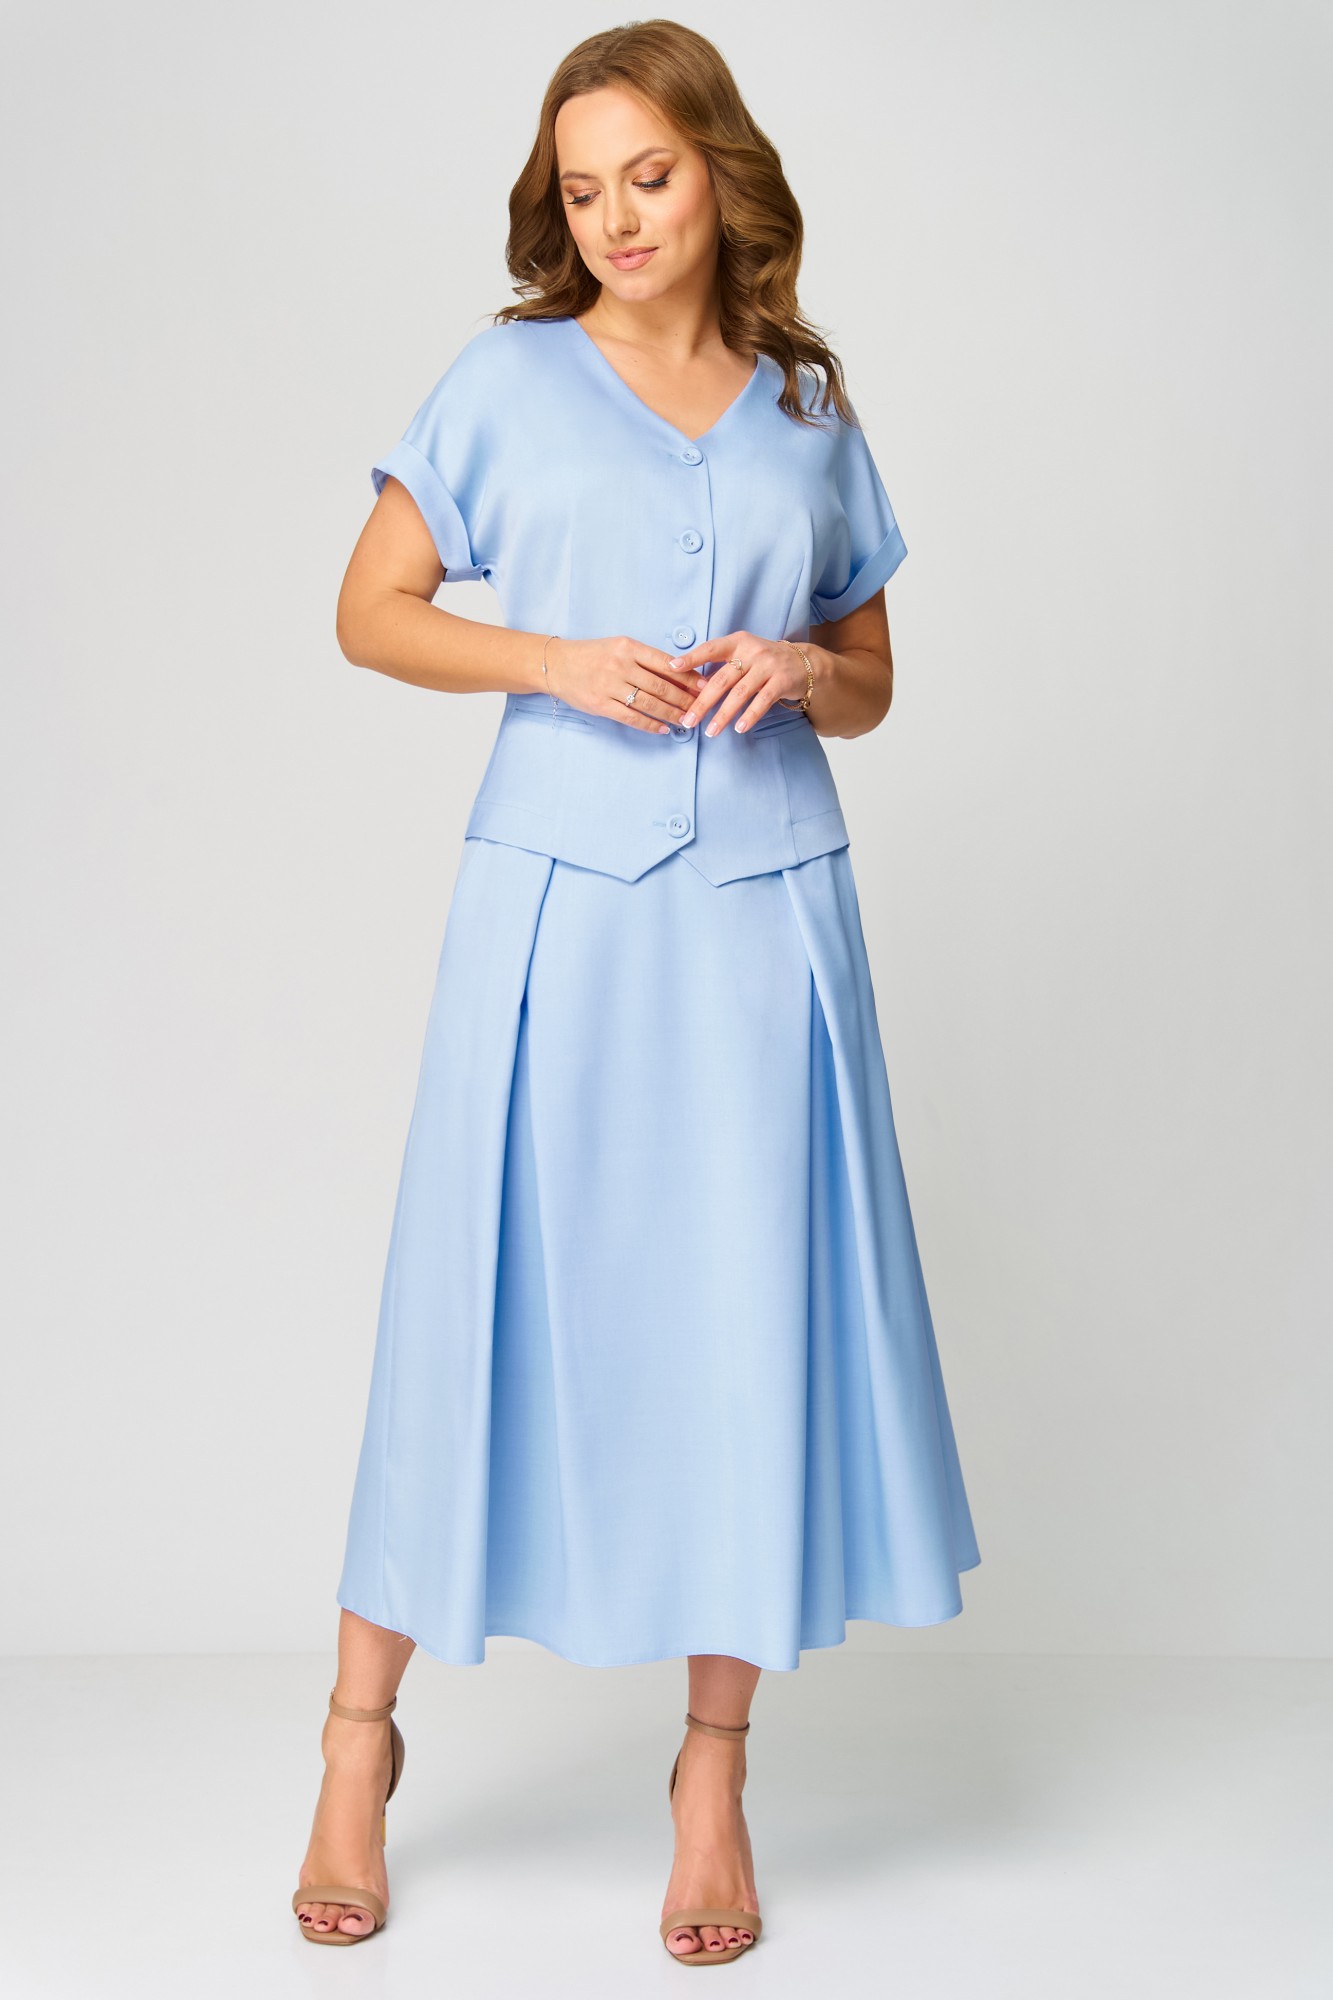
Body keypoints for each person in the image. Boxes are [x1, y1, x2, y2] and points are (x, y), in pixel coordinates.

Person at [292, 18, 980, 1966]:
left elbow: (872, 677)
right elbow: (365, 612)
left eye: (646, 178)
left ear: (719, 172)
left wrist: (804, 671)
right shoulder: (503, 381)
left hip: (763, 913)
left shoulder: (806, 408)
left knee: (741, 1317)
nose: (613, 219)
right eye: (581, 190)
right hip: (556, 914)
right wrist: (554, 662)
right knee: (472, 1298)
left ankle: (711, 1775)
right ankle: (356, 1741)